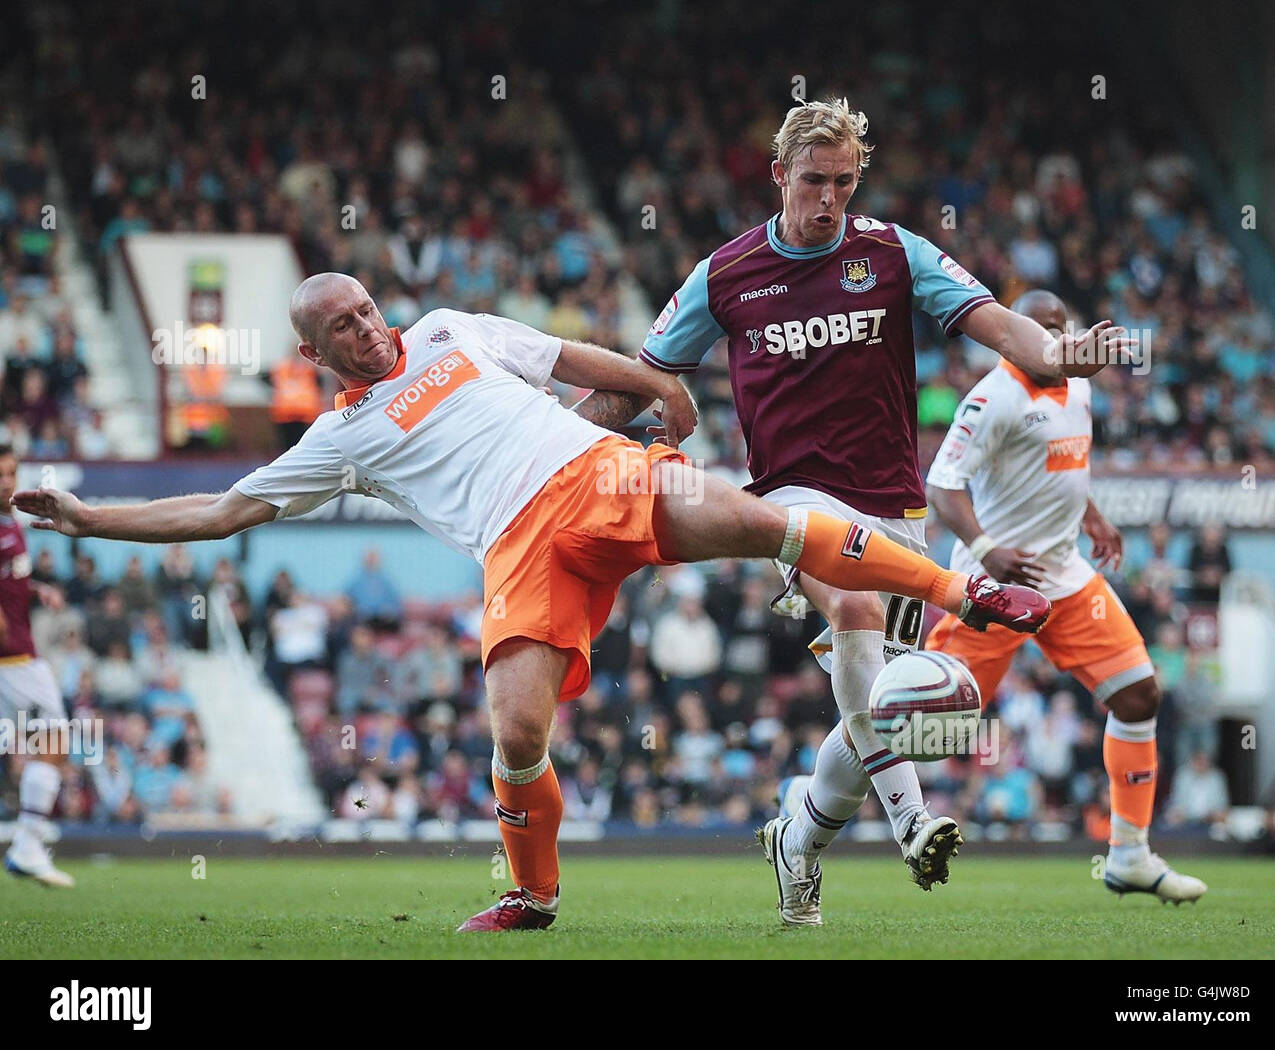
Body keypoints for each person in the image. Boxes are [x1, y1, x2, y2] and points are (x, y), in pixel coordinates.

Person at [15, 272, 1049, 932]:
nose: (368, 331)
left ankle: (964, 587)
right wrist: (90, 517)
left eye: (367, 310)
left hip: (591, 471)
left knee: (757, 522)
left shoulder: (449, 330)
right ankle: (533, 895)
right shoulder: (335, 440)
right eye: (343, 327)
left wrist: (659, 391)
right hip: (517, 548)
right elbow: (221, 512)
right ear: (313, 353)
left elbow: (567, 361)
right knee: (515, 734)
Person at [580, 98, 1132, 924]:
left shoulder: (894, 252)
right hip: (792, 497)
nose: (828, 198)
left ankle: (797, 838)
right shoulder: (725, 275)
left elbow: (1000, 328)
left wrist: (1060, 353)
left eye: (843, 182)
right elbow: (642, 376)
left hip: (895, 504)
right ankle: (912, 821)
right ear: (779, 177)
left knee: (887, 699)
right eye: (813, 181)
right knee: (854, 604)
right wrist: (551, 439)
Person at [924, 289, 1205, 902]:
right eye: (1040, 329)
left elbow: (1061, 464)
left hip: (1066, 576)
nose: (1054, 341)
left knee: (1138, 695)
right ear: (1016, 331)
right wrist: (987, 545)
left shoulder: (1078, 384)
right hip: (995, 584)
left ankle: (1130, 854)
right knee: (926, 730)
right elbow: (943, 487)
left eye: (1061, 329)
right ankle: (810, 808)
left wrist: (1094, 516)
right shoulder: (991, 398)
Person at [0, 445, 75, 887]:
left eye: (11, 472)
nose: (6, 481)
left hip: (17, 657)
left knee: (45, 741)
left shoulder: (11, 522)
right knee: (55, 739)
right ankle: (28, 845)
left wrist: (36, 589)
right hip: (15, 659)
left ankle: (28, 845)